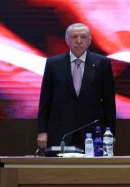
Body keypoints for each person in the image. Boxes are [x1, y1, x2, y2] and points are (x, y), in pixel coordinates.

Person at [37, 23, 116, 151]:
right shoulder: (53, 63)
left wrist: (110, 133)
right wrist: (42, 131)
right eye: (74, 37)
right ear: (67, 40)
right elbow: (45, 101)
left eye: (83, 37)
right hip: (60, 131)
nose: (79, 41)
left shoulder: (102, 63)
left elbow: (109, 102)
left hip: (92, 132)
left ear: (89, 40)